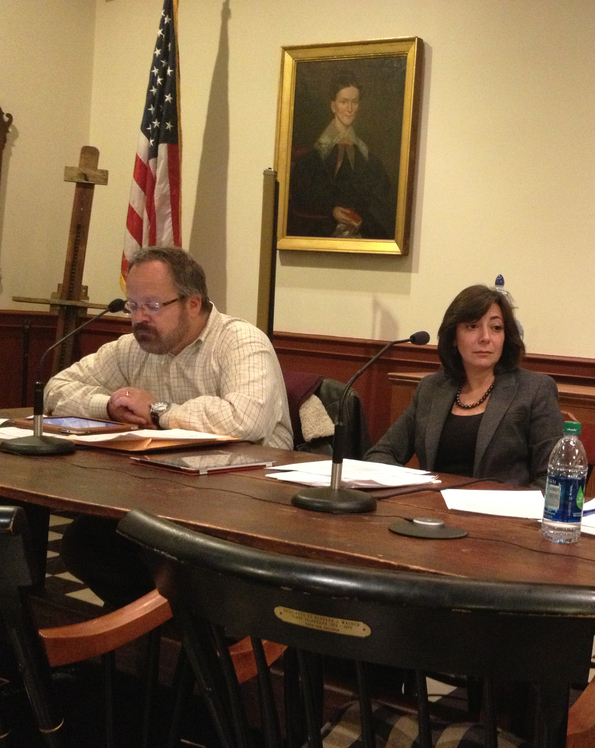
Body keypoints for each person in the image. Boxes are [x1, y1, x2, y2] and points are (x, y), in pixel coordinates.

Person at [45, 246, 292, 607]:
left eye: (153, 305)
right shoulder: (133, 348)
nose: (139, 318)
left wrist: (159, 410)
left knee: (170, 558)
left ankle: (188, 632)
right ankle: (148, 631)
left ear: (193, 303)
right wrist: (109, 405)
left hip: (243, 502)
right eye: (132, 306)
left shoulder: (241, 342)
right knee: (86, 543)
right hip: (162, 495)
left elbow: (245, 420)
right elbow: (57, 390)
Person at [365, 285, 563, 489]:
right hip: (430, 505)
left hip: (500, 508)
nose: (486, 337)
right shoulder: (431, 389)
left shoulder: (534, 390)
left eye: (496, 328)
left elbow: (553, 479)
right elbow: (381, 454)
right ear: (453, 337)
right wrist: (411, 489)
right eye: (472, 326)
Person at [287, 72, 396, 239]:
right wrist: (331, 210)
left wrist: (361, 218)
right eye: (344, 102)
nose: (350, 109)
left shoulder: (371, 162)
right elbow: (301, 198)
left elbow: (380, 203)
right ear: (333, 106)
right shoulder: (309, 161)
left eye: (354, 102)